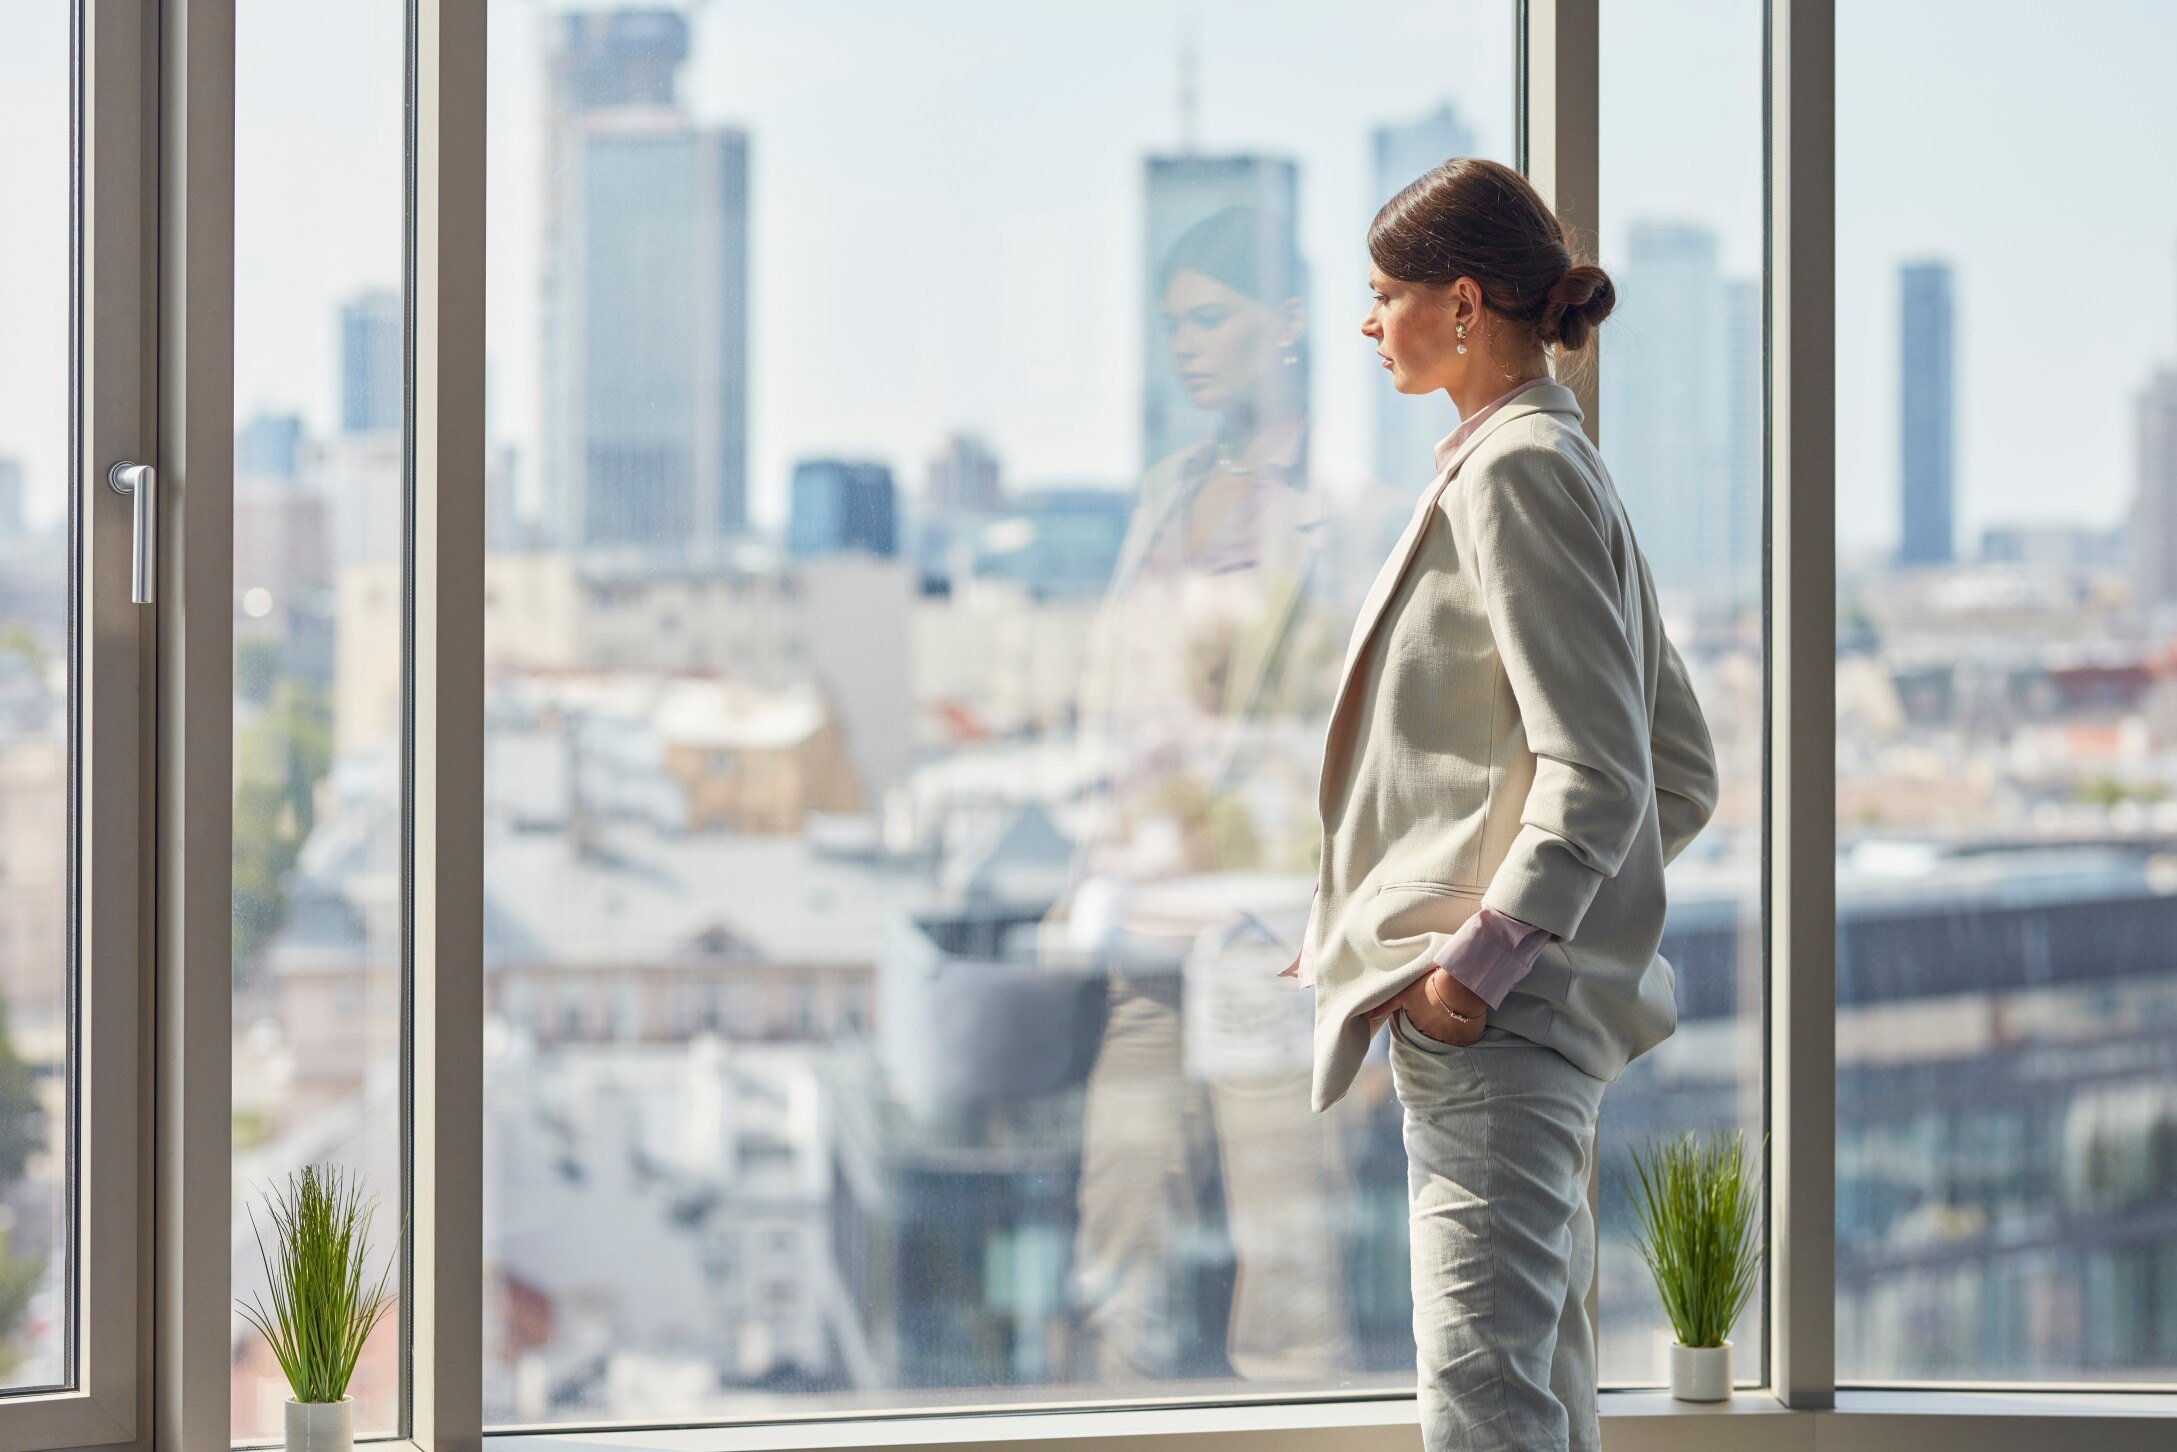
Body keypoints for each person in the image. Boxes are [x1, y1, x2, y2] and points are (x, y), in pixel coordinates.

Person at [1303, 156, 1721, 1451]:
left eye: (1385, 294)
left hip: (1494, 1034)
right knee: (1533, 1404)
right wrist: (1553, 931)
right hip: (1527, 1032)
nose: (1367, 324)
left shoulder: (1515, 474)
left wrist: (1477, 970)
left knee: (1483, 1416)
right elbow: (1677, 773)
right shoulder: (1555, 458)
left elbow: (1603, 777)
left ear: (1464, 301)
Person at [1048, 203, 1354, 1384]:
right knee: (1118, 1233)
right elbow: (1118, 690)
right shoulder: (1172, 485)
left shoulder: (1336, 501)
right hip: (1138, 919)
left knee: (1284, 1255)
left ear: (1282, 325)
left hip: (1258, 928)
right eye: (1170, 322)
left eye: (1209, 319)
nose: (1183, 345)